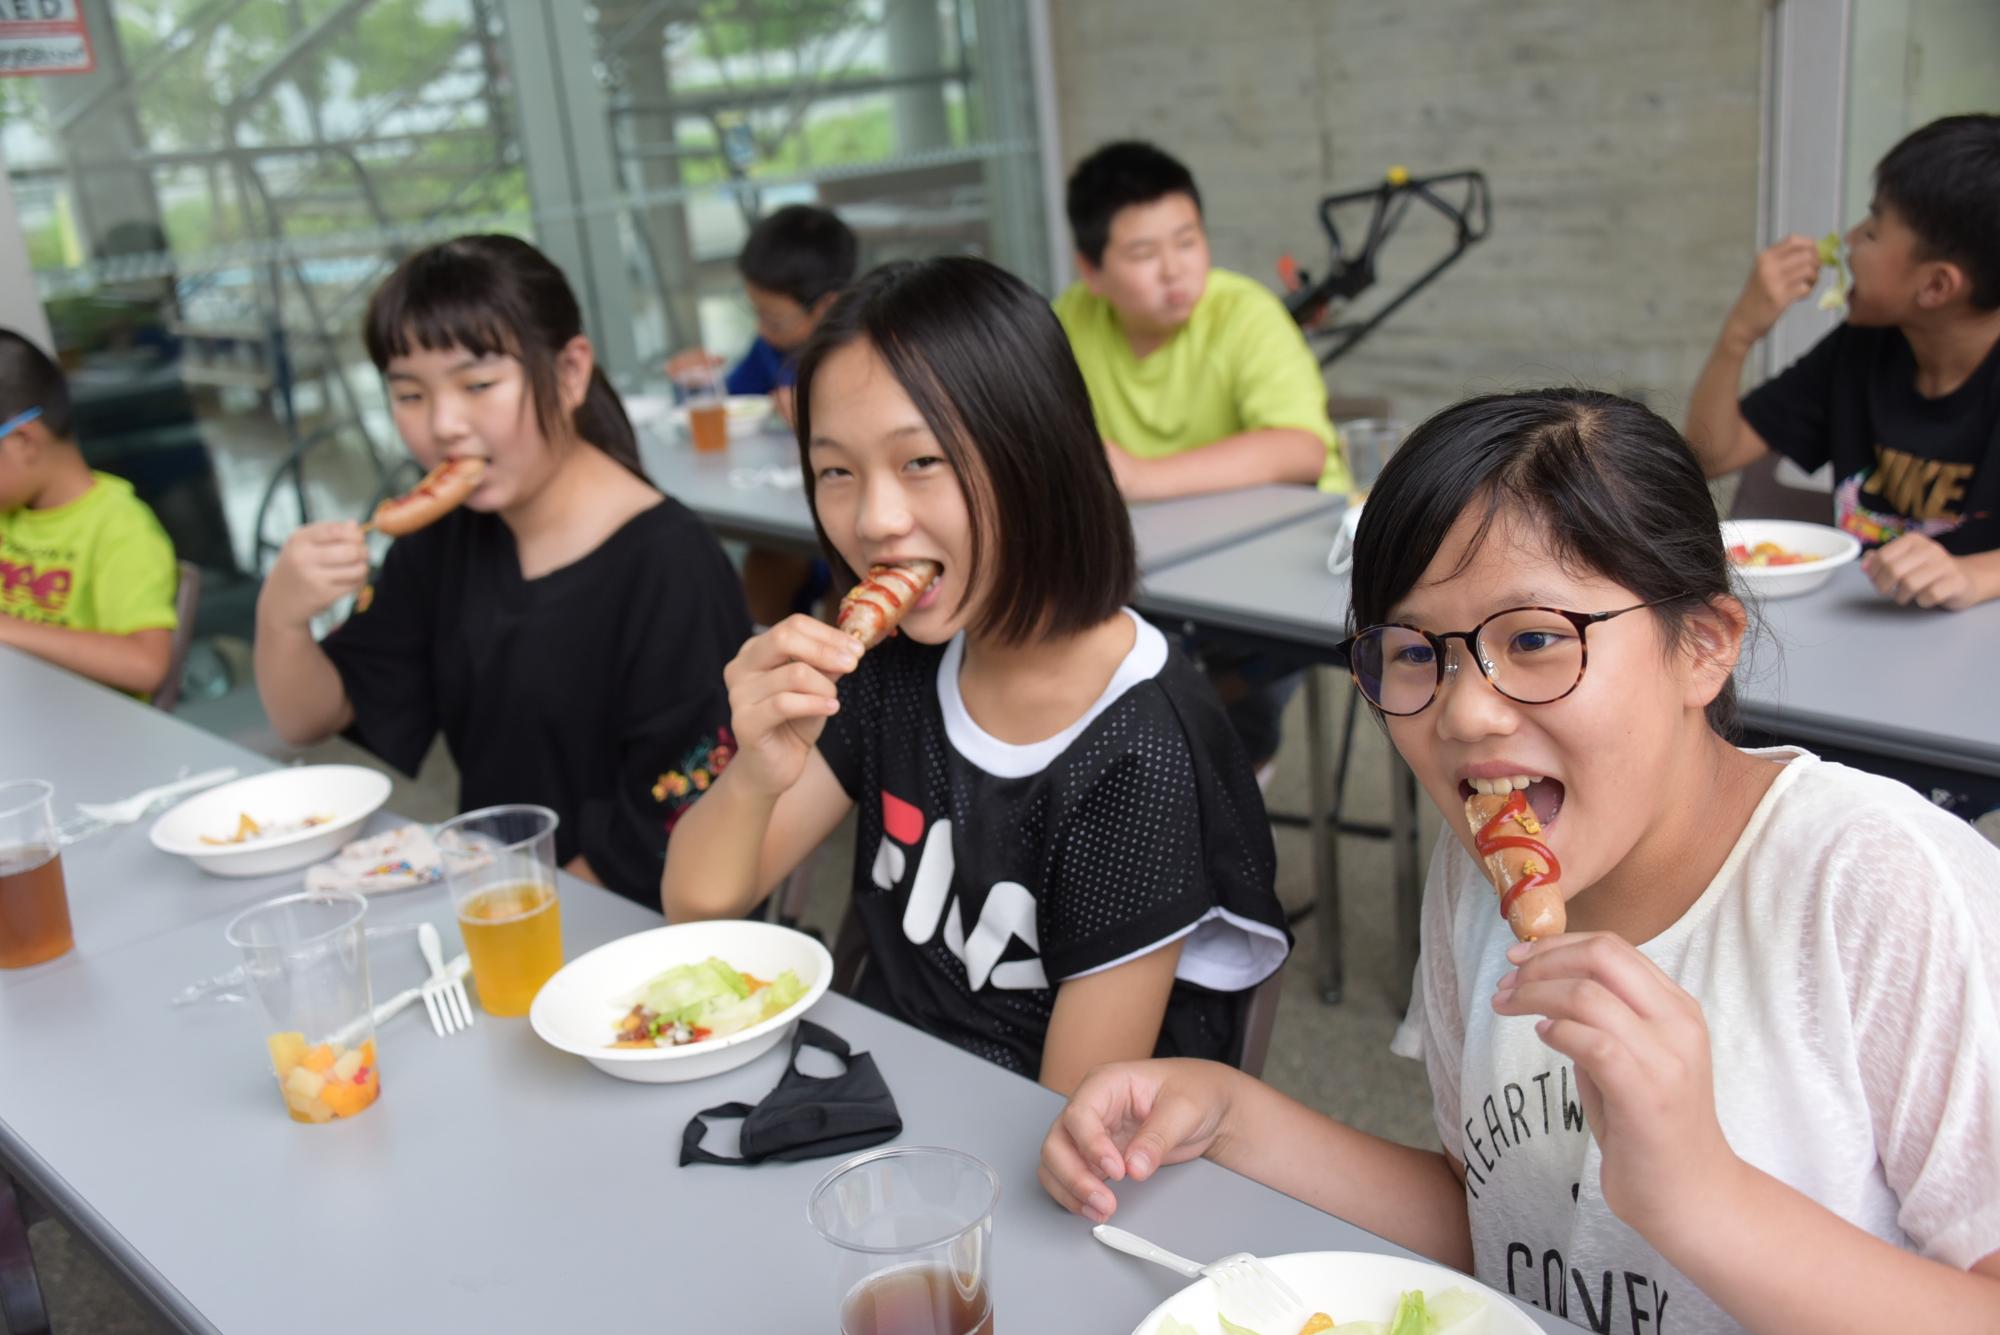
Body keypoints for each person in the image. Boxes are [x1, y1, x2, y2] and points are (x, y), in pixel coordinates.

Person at [1039, 390, 2000, 1332]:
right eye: (1415, 653)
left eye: (1536, 638)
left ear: (1702, 646)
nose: (1465, 713)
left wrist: (1705, 1197)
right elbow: (1493, 1219)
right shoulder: (1482, 876)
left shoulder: (1881, 884)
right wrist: (1232, 1116)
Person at [662, 256, 1290, 1094]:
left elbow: (1070, 1113)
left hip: (1023, 1160)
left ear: (1038, 451)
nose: (876, 520)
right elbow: (698, 905)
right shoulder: (891, 662)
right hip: (863, 1103)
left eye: (922, 461)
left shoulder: (1142, 750)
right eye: (836, 471)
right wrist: (755, 772)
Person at [256, 235, 749, 908]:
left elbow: (676, 817)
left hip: (618, 930)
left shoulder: (671, 564)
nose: (443, 424)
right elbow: (309, 717)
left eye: (478, 384)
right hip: (500, 904)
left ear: (571, 371)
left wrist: (524, 917)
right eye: (408, 394)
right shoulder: (443, 539)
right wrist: (282, 615)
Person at [1687, 113, 2000, 611]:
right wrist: (1740, 332)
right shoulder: (1862, 349)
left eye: (1873, 229)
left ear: (1936, 286)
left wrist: (1975, 575)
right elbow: (1711, 455)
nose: (1850, 241)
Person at [1054, 139, 1346, 502]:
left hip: (1295, 526)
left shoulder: (1244, 312)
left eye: (1187, 242)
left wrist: (1139, 477)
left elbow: (1303, 450)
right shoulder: (1067, 323)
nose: (1173, 270)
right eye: (1144, 254)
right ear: (1091, 271)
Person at [668, 204, 859, 626]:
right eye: (754, 313)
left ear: (826, 306)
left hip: (852, 530)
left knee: (847, 595)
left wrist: (820, 418)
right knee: (764, 565)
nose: (760, 328)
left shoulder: (862, 354)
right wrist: (699, 383)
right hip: (789, 518)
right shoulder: (771, 349)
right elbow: (733, 402)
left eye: (772, 317)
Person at [0, 328, 179, 698]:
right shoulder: (11, 510)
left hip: (90, 735)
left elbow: (147, 666)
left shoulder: (119, 528)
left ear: (22, 441)